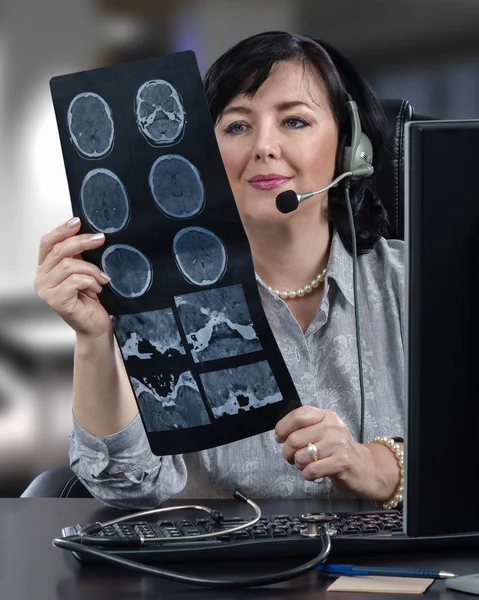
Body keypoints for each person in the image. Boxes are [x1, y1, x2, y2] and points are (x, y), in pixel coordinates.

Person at [34, 31, 404, 509]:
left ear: (351, 146)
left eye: (294, 121)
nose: (264, 147)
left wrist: (378, 466)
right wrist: (93, 340)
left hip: (389, 574)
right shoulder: (156, 291)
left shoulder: (412, 284)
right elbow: (125, 487)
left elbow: (461, 458)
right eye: (236, 127)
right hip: (218, 577)